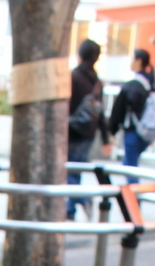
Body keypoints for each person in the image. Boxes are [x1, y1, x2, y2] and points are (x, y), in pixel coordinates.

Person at [67, 39, 111, 221]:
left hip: (72, 132)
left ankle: (81, 199)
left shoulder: (73, 77)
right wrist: (106, 139)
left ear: (80, 55)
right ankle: (70, 209)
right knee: (75, 171)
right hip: (89, 134)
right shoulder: (97, 82)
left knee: (66, 172)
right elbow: (100, 113)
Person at [109, 49, 155, 175]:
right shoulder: (150, 84)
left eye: (132, 59)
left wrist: (112, 131)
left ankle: (132, 194)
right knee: (128, 163)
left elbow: (118, 112)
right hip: (148, 131)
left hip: (133, 132)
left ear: (139, 61)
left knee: (130, 168)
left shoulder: (132, 86)